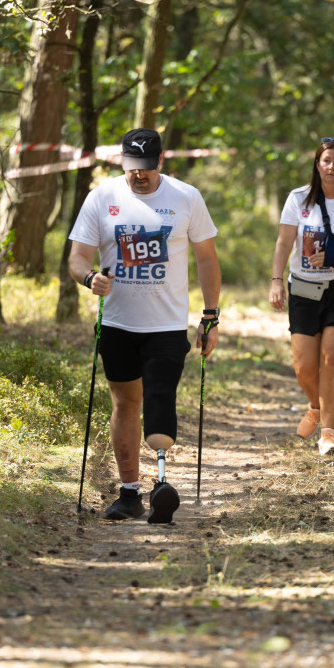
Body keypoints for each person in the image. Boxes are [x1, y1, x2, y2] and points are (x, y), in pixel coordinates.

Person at [68, 128, 221, 523]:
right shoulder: (102, 197)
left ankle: (163, 485)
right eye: (133, 168)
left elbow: (206, 257)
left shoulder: (186, 197)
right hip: (118, 323)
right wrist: (89, 279)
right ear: (122, 162)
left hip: (167, 325)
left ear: (161, 161)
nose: (140, 176)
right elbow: (78, 256)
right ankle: (130, 492)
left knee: (158, 395)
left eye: (148, 169)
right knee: (125, 403)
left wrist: (210, 315)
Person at [269, 137, 334, 456]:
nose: (332, 166)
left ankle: (328, 433)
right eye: (326, 160)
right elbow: (284, 243)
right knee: (303, 366)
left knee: (331, 359)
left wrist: (331, 257)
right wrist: (275, 280)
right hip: (302, 289)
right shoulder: (298, 199)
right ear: (317, 164)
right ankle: (315, 405)